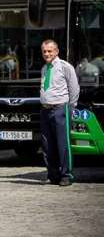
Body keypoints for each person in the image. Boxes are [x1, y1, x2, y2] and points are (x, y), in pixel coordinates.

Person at [39, 39, 80, 186]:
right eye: (44, 51)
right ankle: (53, 174)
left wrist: (70, 107)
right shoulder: (44, 68)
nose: (47, 54)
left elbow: (74, 88)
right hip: (45, 110)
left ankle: (66, 175)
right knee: (47, 144)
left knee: (63, 143)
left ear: (56, 51)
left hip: (60, 109)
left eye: (50, 51)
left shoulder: (65, 67)